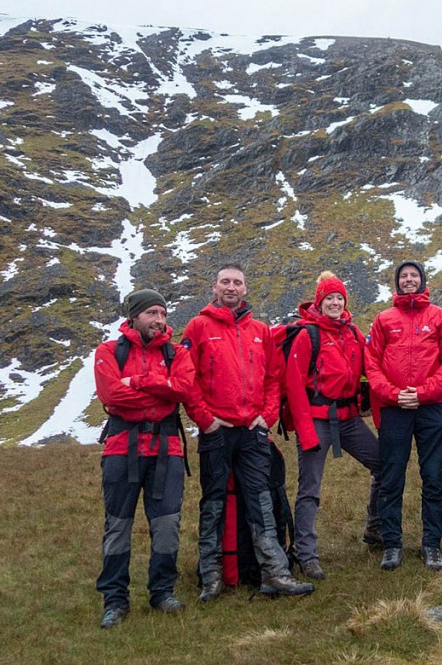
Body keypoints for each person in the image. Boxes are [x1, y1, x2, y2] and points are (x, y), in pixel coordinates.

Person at [182, 264, 313, 600]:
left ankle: (275, 573)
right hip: (217, 432)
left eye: (237, 282)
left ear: (245, 289)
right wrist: (205, 419)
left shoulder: (260, 330)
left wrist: (266, 417)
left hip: (252, 432)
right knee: (212, 503)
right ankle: (210, 576)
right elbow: (187, 378)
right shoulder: (198, 327)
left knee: (262, 502)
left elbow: (273, 378)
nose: (231, 287)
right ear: (214, 287)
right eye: (225, 281)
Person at [94, 288, 195, 629]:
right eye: (152, 313)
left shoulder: (177, 352)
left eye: (163, 314)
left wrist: (138, 382)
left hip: (167, 449)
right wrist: (159, 390)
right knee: (118, 526)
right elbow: (111, 395)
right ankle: (114, 599)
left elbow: (183, 390)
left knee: (167, 524)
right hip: (122, 450)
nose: (159, 320)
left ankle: (162, 591)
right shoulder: (108, 351)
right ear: (134, 316)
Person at [279, 271, 381, 580]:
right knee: (310, 488)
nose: (335, 303)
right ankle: (305, 554)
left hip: (349, 419)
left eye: (339, 298)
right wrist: (306, 431)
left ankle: (375, 529)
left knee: (385, 464)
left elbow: (370, 368)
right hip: (316, 419)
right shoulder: (306, 334)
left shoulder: (351, 333)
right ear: (319, 302)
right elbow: (294, 385)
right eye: (329, 298)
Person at [365, 260, 442, 571]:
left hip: (432, 409)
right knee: (392, 478)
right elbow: (372, 364)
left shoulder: (441, 318)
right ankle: (392, 544)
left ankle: (432, 544)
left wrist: (422, 393)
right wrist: (395, 395)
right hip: (395, 410)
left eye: (414, 276)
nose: (409, 280)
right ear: (397, 282)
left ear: (422, 281)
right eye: (403, 276)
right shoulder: (384, 319)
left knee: (433, 478)